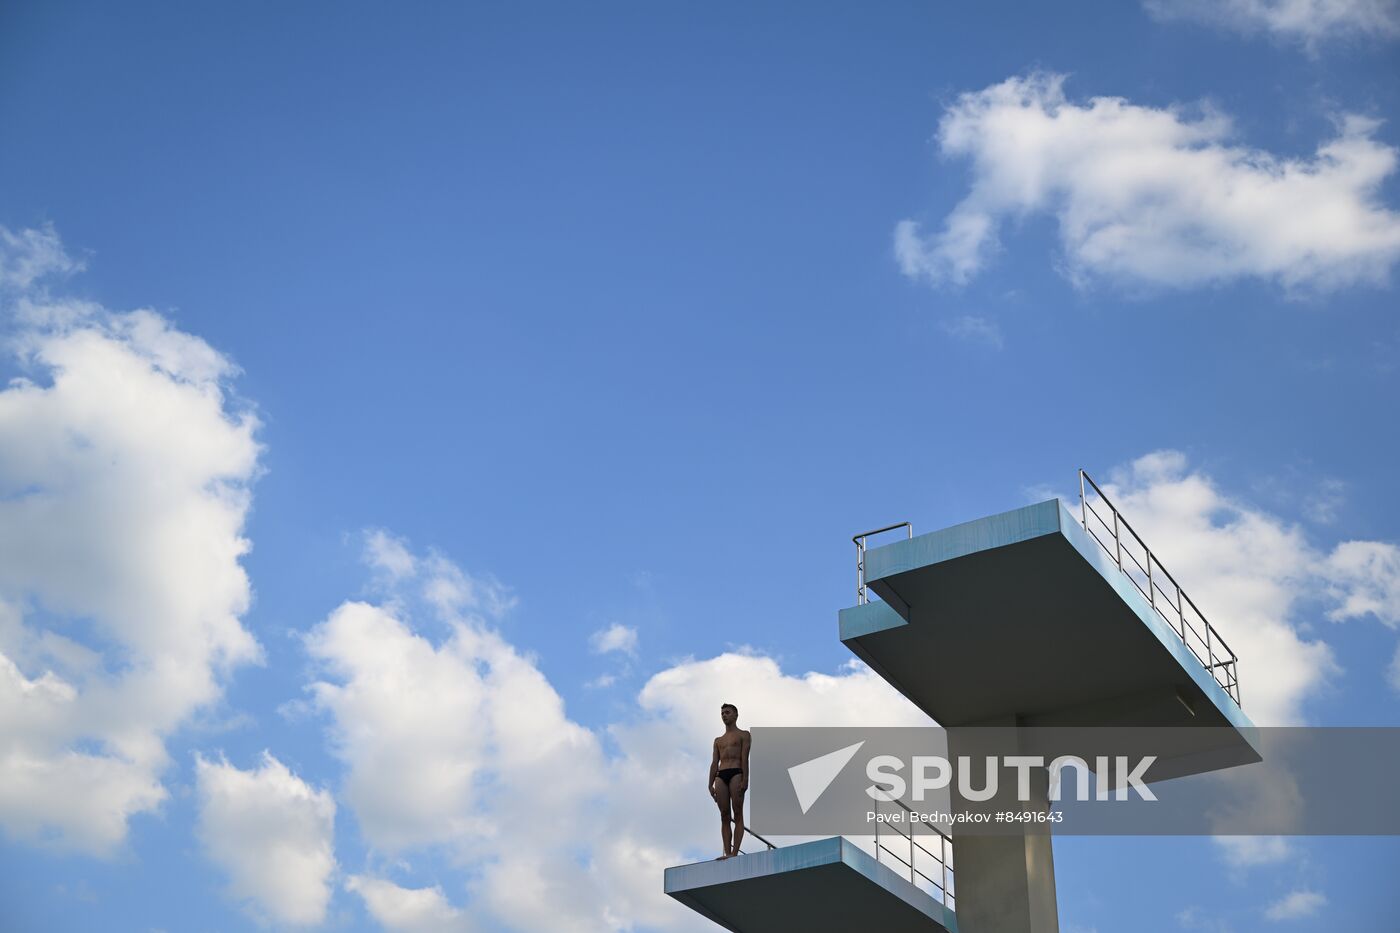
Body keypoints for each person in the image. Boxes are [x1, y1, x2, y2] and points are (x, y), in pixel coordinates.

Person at [708, 702, 750, 859]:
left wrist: (746, 779)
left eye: (727, 712)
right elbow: (714, 763)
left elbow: (744, 758)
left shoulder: (744, 735)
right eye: (722, 713)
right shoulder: (718, 740)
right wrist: (710, 783)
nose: (724, 715)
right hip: (721, 774)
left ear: (735, 715)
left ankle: (734, 852)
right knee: (724, 815)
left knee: (738, 813)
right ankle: (727, 852)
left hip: (736, 772)